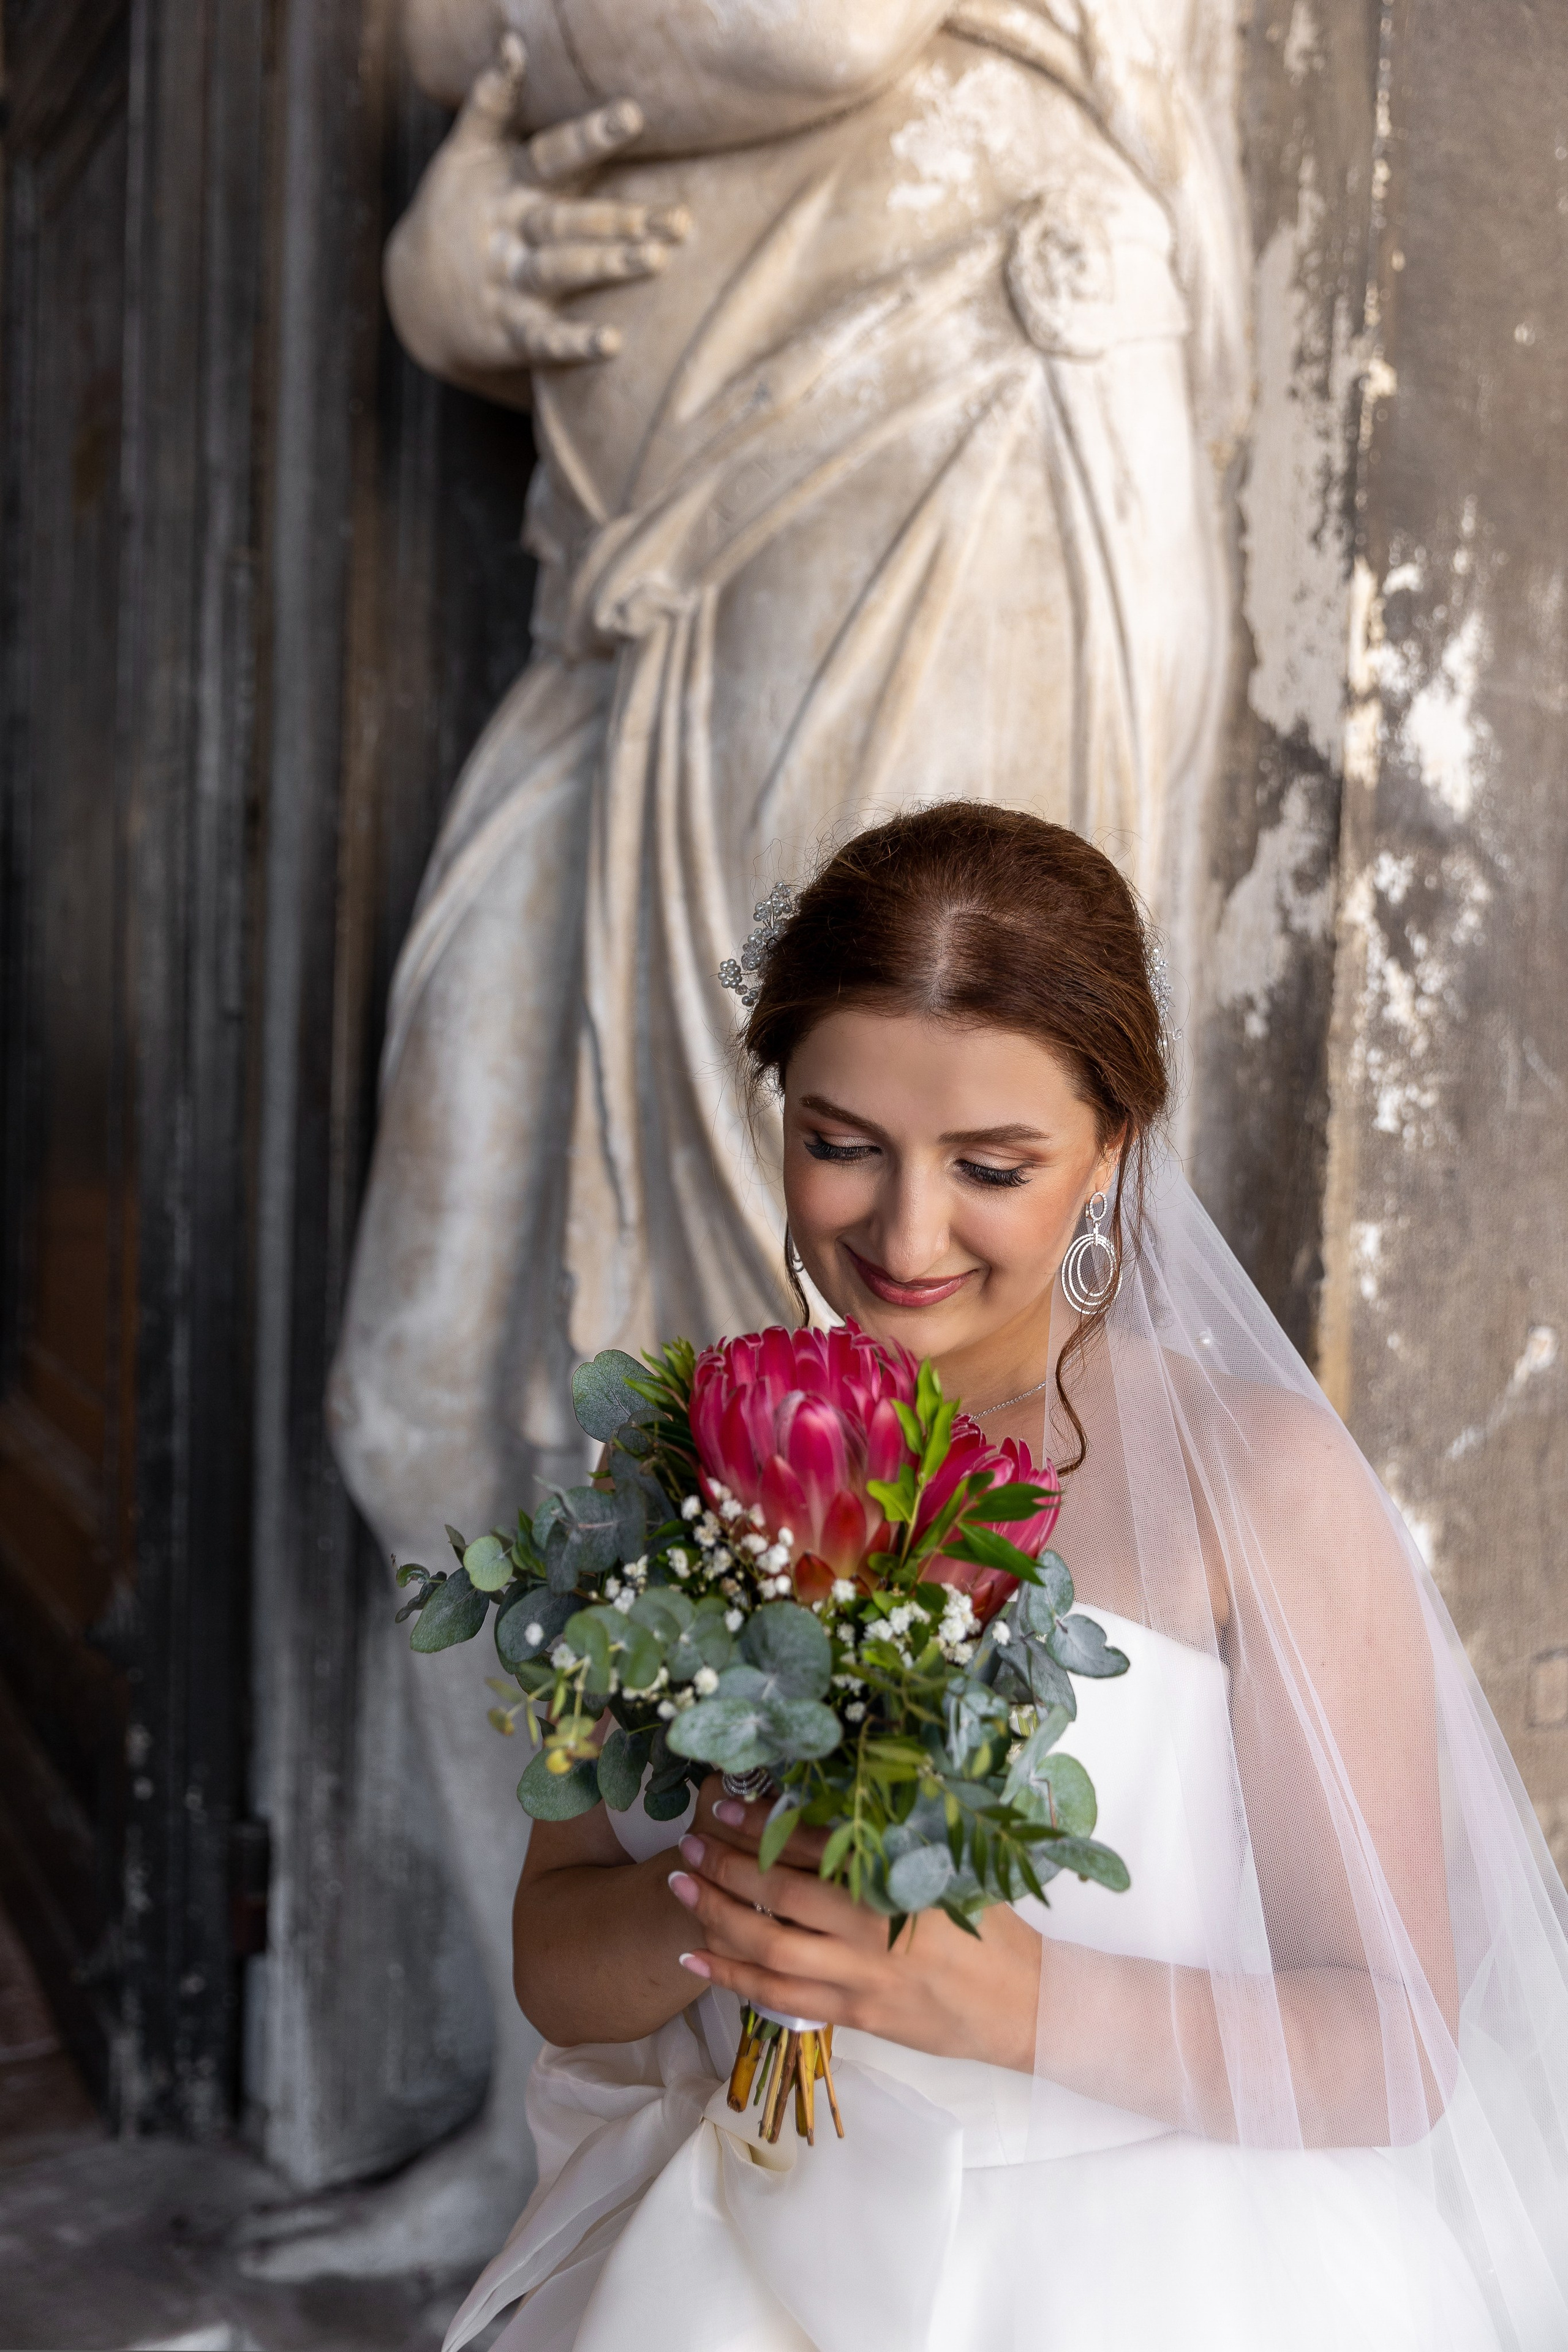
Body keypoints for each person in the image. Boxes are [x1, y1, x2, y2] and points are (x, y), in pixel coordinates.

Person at [315, 0, 1249, 2274]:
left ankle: (774, 2124)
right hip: (647, 551)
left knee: (878, 1378)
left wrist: (498, 68)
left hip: (940, 408)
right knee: (427, 1396)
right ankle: (582, 2091)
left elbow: (798, 21)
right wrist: (447, 239)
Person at [442, 805, 1568, 2352]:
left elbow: (1394, 2046)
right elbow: (556, 1963)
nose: (905, 1231)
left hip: (1153, 2282)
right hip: (738, 2267)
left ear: (1107, 1147)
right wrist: (712, 1904)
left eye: (989, 1164)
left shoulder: (1257, 1489)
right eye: (840, 1145)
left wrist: (1015, 2002)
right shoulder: (668, 1468)